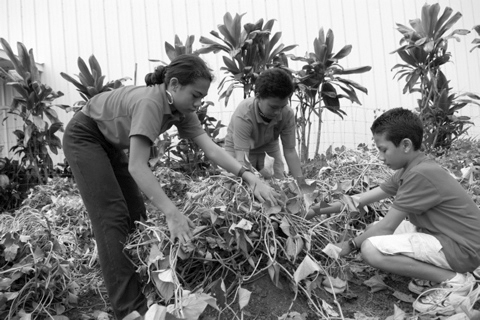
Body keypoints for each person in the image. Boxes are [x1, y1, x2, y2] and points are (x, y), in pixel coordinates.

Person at [63, 54, 279, 320]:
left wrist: (249, 175)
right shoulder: (151, 103)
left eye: (201, 98)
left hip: (108, 142)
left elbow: (211, 149)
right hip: (85, 135)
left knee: (136, 216)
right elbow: (138, 166)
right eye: (196, 96)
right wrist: (172, 212)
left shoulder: (181, 109)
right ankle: (130, 310)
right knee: (112, 216)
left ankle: (140, 283)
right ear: (174, 85)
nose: (198, 103)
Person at [334, 108, 480, 315]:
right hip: (449, 238)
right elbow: (359, 200)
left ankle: (455, 282)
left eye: (383, 149)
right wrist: (317, 209)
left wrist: (349, 245)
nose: (380, 156)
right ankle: (434, 275)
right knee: (372, 228)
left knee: (370, 249)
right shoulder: (410, 169)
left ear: (405, 145)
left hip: (463, 249)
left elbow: (387, 227)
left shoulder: (420, 174)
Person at [223, 68, 305, 184]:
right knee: (238, 184)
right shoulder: (244, 114)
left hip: (268, 146)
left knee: (277, 183)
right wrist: (254, 182)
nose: (278, 112)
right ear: (258, 97)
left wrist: (302, 185)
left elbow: (290, 150)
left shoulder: (287, 114)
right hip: (239, 149)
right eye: (273, 107)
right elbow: (242, 159)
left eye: (282, 106)